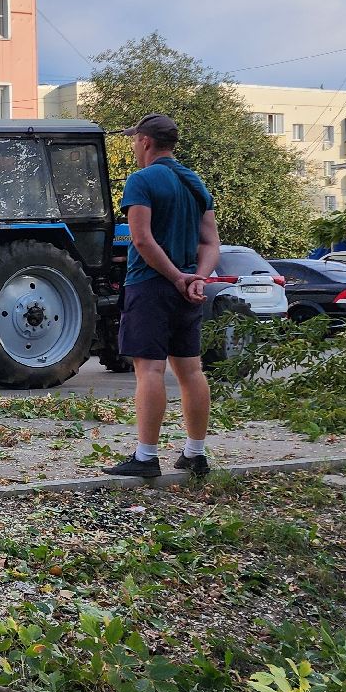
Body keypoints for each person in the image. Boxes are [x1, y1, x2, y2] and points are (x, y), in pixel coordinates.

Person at [106, 113, 221, 479]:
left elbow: (140, 238)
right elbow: (211, 242)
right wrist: (197, 279)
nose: (133, 147)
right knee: (190, 370)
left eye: (133, 141)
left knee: (150, 370)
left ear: (144, 141)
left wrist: (174, 278)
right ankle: (195, 453)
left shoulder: (141, 181)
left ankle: (146, 456)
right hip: (188, 289)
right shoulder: (194, 182)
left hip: (152, 284)